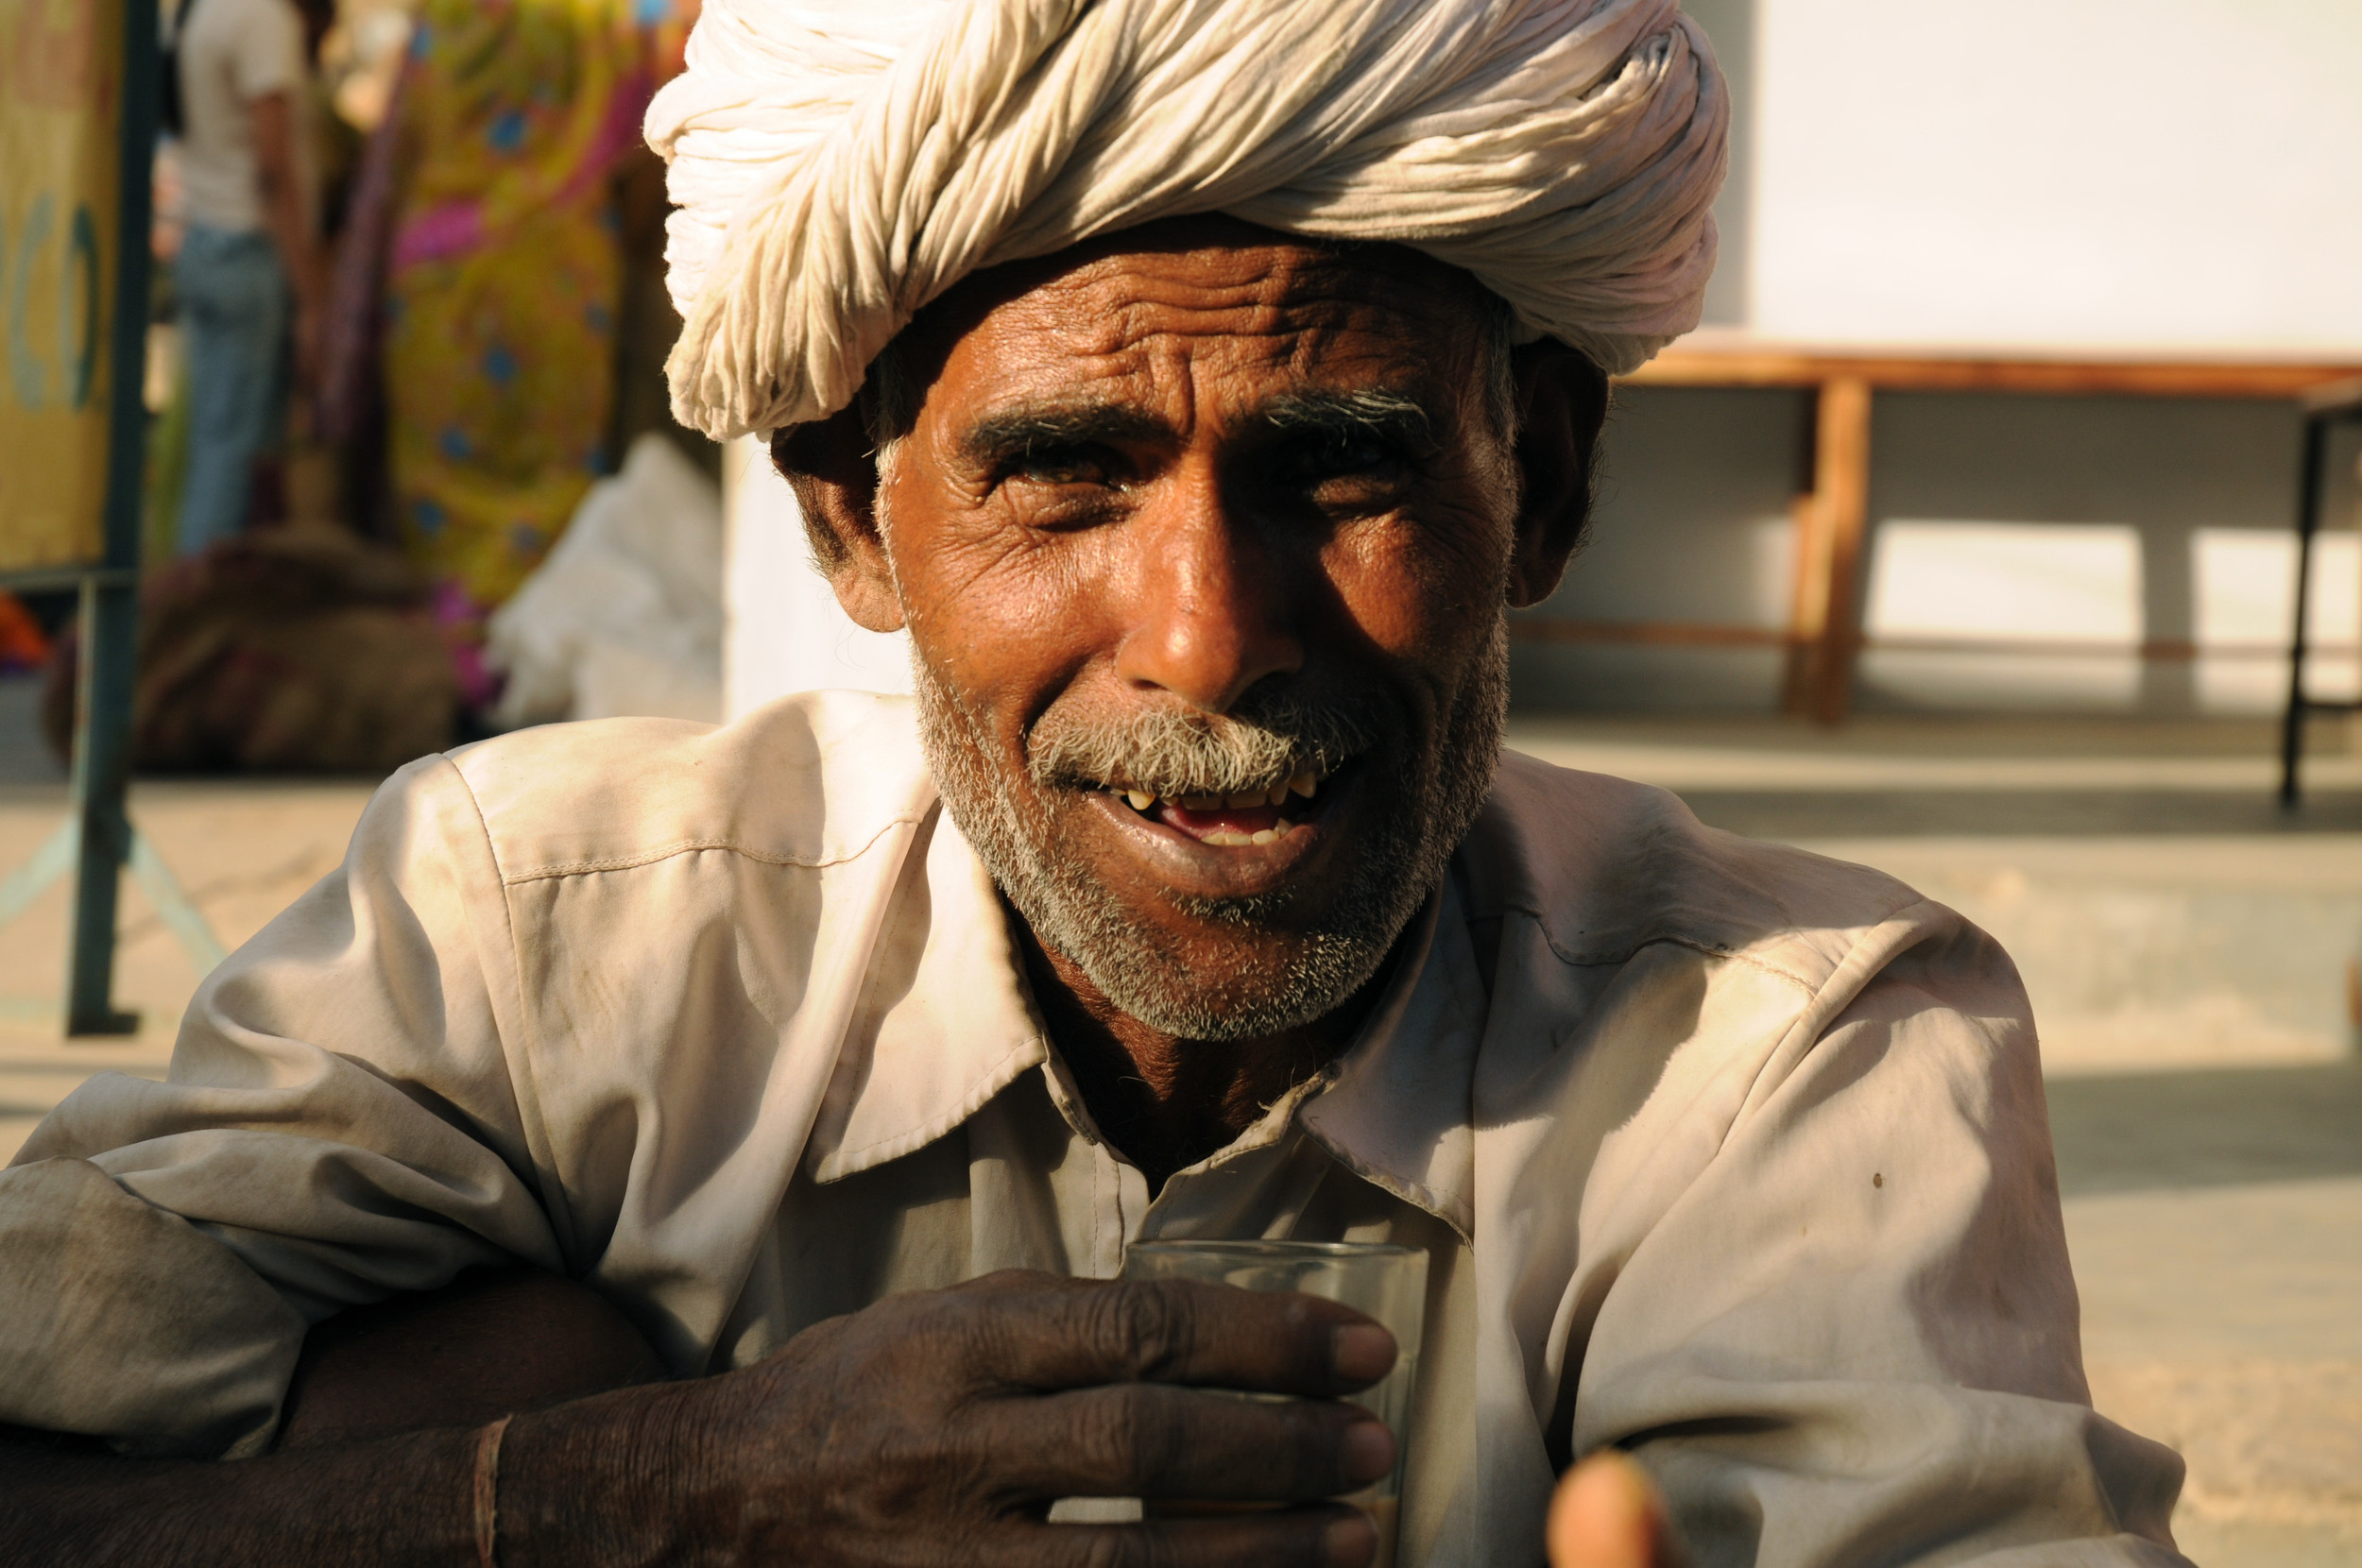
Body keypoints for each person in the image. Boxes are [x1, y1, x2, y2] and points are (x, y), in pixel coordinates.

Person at [0, 3, 2191, 1564]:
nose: (1211, 636)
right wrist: (619, 1495)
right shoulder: (532, 939)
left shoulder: (1792, 1048)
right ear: (856, 526)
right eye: (1065, 477)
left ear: (1543, 487)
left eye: (1344, 468)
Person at [168, 0, 325, 556]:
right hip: (247, 250)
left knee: (214, 447)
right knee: (233, 462)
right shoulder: (263, 21)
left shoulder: (208, 12)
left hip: (207, 238)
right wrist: (310, 296)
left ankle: (195, 600)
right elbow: (272, 167)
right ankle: (203, 609)